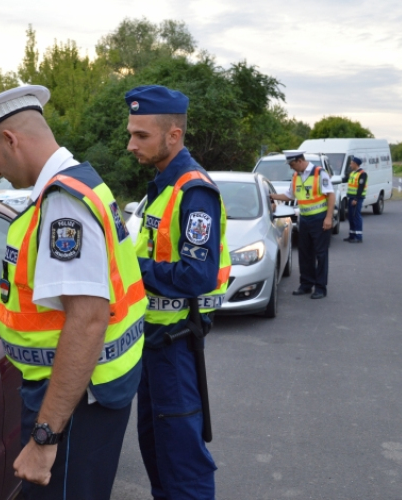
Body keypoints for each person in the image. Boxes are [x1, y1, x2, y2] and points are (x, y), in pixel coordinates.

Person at [0, 85, 146, 499]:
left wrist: (44, 438)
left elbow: (88, 321)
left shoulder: (62, 204)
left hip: (72, 403)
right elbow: (59, 314)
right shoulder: (86, 184)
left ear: (10, 140)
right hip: (94, 394)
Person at [125, 85, 230, 500]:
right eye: (131, 133)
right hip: (151, 342)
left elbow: (196, 275)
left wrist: (128, 267)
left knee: (183, 462)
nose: (130, 144)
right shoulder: (162, 186)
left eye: (141, 135)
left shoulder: (193, 191)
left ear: (174, 135)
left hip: (176, 346)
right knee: (156, 452)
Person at [270, 150, 336, 299]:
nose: (291, 168)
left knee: (320, 254)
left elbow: (331, 195)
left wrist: (329, 218)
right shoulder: (296, 176)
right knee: (305, 254)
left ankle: (320, 288)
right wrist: (272, 196)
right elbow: (289, 195)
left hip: (320, 219)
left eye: (293, 164)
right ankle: (306, 284)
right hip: (304, 219)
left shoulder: (319, 173)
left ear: (300, 161)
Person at [343, 156, 367, 243]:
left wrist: (356, 199)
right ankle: (352, 235)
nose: (350, 165)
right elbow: (345, 180)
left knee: (356, 217)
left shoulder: (362, 174)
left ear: (355, 164)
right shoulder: (352, 173)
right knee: (351, 216)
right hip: (351, 197)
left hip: (357, 198)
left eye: (351, 163)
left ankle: (358, 236)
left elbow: (361, 187)